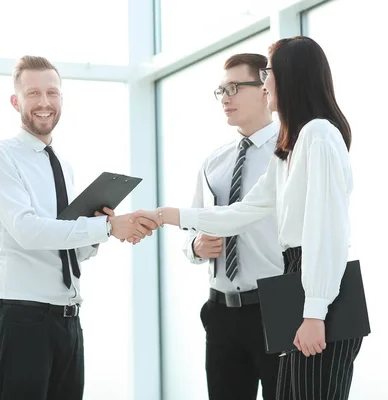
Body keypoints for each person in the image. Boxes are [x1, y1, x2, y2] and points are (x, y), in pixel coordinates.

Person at [138, 36, 362, 399]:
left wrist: (316, 313)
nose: (266, 81)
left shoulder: (319, 135)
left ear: (289, 77)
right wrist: (163, 215)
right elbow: (240, 213)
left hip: (320, 290)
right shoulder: (293, 145)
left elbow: (327, 233)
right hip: (301, 285)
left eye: (267, 73)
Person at [0, 55, 157, 399]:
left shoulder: (63, 163)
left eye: (52, 93)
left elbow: (70, 247)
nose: (44, 103)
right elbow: (28, 231)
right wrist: (107, 227)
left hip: (68, 318)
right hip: (21, 318)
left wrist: (100, 232)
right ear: (16, 101)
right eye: (33, 94)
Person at [185, 53, 283, 400]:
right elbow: (193, 225)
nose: (226, 97)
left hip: (278, 306)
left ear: (265, 90)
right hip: (221, 312)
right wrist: (195, 247)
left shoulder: (290, 150)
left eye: (236, 87)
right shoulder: (215, 161)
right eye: (221, 89)